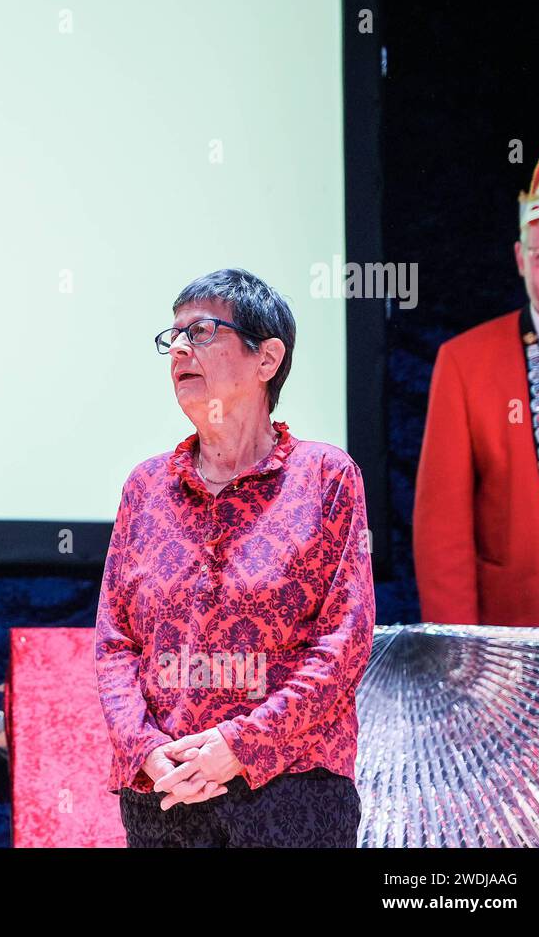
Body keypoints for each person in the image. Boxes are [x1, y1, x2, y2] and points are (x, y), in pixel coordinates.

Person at [94, 269, 374, 848]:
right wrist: (143, 750)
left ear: (267, 359)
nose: (177, 350)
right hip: (163, 793)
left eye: (200, 332)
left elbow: (343, 644)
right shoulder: (145, 486)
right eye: (170, 337)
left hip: (293, 790)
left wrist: (240, 747)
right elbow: (115, 643)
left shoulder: (326, 477)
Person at [414, 113, 539, 627]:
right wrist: (462, 661)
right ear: (521, 259)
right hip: (513, 654)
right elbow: (443, 536)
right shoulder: (464, 362)